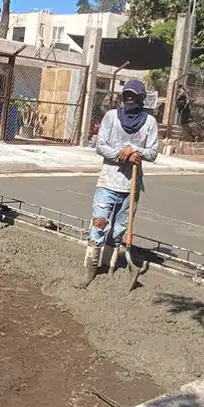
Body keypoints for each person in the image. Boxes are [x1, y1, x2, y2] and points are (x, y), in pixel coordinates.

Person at [77, 79, 160, 287]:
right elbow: (100, 146)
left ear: (141, 98)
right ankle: (90, 269)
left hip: (131, 185)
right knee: (99, 224)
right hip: (108, 181)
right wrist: (121, 155)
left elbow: (153, 152)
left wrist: (135, 151)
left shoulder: (149, 122)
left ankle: (110, 266)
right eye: (127, 95)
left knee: (119, 230)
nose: (130, 99)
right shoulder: (111, 117)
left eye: (134, 96)